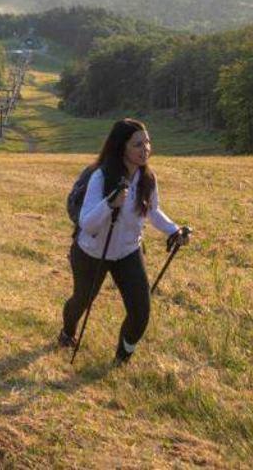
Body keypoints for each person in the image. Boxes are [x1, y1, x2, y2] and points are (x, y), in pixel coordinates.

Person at [58, 117, 193, 365]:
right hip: (91, 252)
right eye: (138, 145)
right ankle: (67, 332)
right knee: (82, 300)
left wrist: (174, 230)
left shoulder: (147, 178)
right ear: (122, 147)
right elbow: (87, 222)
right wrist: (110, 203)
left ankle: (121, 359)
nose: (146, 150)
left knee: (141, 311)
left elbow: (152, 211)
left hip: (128, 251)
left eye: (148, 143)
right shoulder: (101, 176)